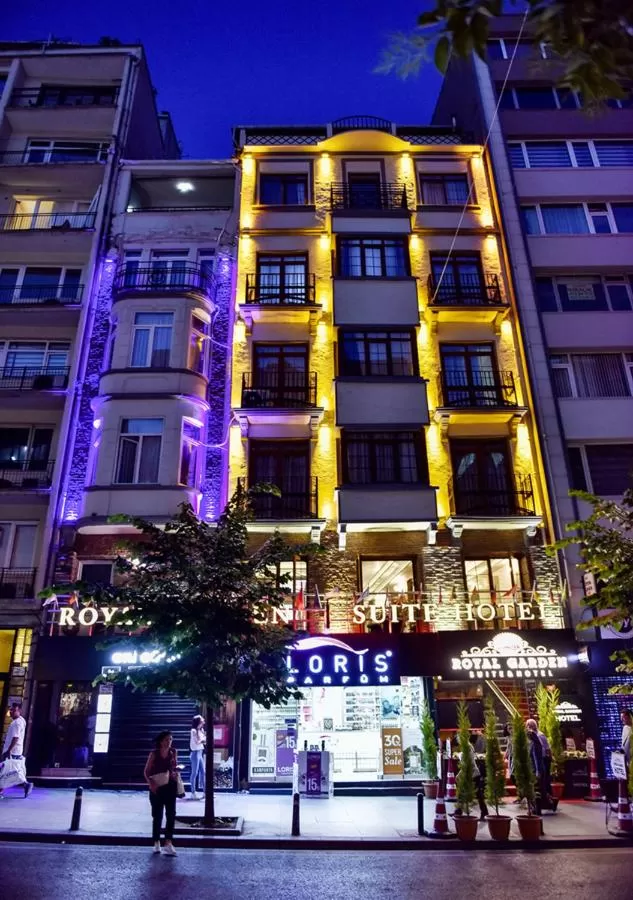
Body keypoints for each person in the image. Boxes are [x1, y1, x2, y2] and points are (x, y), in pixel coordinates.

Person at [144, 731, 179, 856]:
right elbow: (146, 771)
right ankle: (156, 841)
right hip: (157, 787)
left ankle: (168, 842)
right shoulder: (154, 754)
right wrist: (151, 784)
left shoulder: (173, 752)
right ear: (160, 741)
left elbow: (174, 768)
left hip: (170, 786)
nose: (168, 742)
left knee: (171, 815)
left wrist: (176, 772)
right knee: (157, 815)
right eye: (166, 740)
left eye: (170, 739)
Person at [0, 702, 33, 799]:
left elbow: (16, 737)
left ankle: (1, 791)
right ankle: (26, 784)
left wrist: (8, 751)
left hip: (12, 752)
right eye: (10, 710)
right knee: (13, 771)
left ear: (19, 711)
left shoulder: (16, 723)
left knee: (4, 772)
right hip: (16, 751)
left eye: (14, 710)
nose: (11, 712)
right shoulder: (21, 721)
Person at [454, 734, 489, 821]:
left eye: (458, 738)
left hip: (473, 774)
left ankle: (484, 813)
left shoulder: (468, 747)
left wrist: (459, 774)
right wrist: (458, 754)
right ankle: (458, 812)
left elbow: (468, 764)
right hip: (469, 774)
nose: (457, 740)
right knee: (463, 792)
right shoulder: (466, 747)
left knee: (478, 795)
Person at [527, 717, 558, 813]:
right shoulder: (533, 741)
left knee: (540, 789)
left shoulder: (538, 738)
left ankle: (544, 806)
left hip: (541, 764)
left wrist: (537, 771)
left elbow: (538, 757)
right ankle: (547, 804)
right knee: (541, 789)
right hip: (539, 766)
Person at [189, 715, 206, 800]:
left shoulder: (201, 730)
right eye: (202, 719)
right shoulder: (193, 731)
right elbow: (197, 742)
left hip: (200, 752)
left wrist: (203, 740)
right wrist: (203, 740)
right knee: (194, 773)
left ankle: (205, 792)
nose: (204, 720)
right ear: (198, 721)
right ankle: (193, 792)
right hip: (195, 753)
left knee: (203, 772)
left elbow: (204, 741)